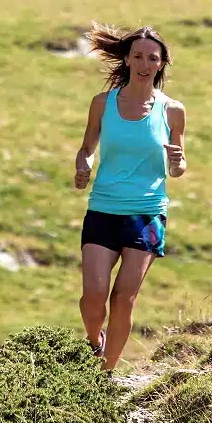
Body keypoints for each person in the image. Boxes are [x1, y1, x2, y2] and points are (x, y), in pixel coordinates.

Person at [73, 24, 186, 370]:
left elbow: (178, 167)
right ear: (126, 58)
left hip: (147, 214)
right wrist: (84, 167)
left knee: (124, 299)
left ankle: (105, 376)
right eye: (137, 56)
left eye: (152, 58)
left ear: (162, 63)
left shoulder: (172, 110)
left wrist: (178, 162)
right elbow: (87, 148)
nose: (144, 63)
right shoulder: (102, 104)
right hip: (103, 208)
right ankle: (95, 341)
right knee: (93, 299)